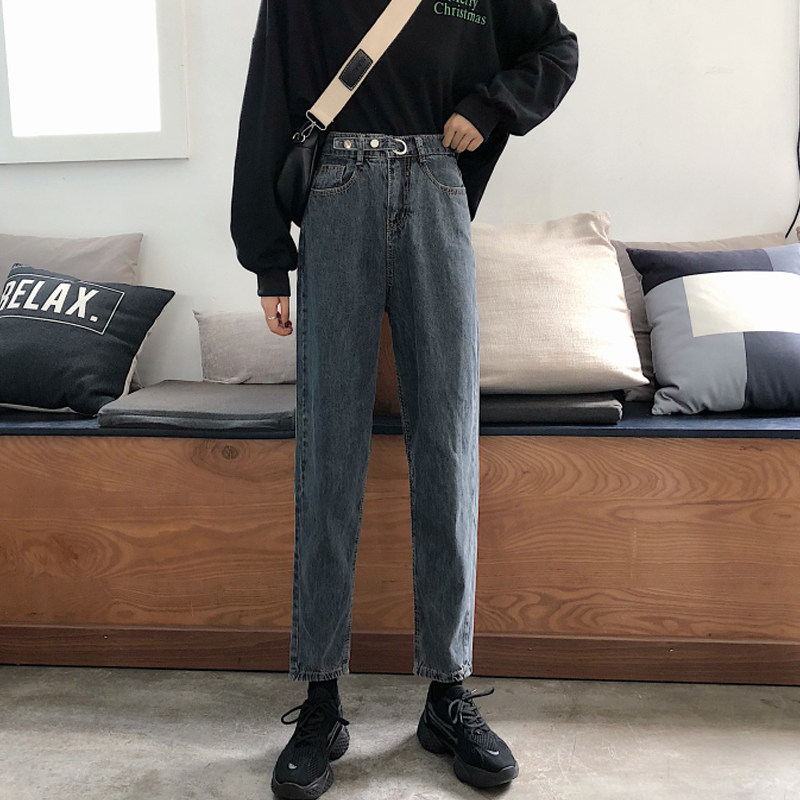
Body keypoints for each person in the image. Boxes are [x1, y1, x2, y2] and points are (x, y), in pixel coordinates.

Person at [231, 0, 578, 796]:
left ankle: (448, 695)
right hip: (336, 193)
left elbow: (556, 50)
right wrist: (267, 258)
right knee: (328, 456)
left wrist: (490, 106)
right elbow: (268, 95)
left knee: (449, 452)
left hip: (437, 185)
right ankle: (321, 700)